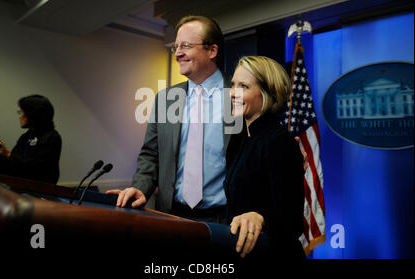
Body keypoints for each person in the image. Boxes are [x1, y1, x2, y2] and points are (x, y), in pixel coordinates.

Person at [108, 15, 307, 227]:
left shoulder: (240, 95)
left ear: (212, 51)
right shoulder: (166, 100)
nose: (178, 53)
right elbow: (151, 154)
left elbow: (264, 143)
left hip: (226, 220)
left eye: (185, 45)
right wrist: (140, 187)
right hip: (170, 216)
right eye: (175, 46)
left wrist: (288, 159)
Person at [226, 56, 305, 259]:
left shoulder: (280, 141)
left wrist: (260, 216)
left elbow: (292, 221)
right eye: (233, 85)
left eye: (244, 86)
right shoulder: (240, 139)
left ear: (267, 94)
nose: (233, 93)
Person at [0, 94, 62, 184]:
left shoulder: (52, 137)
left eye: (21, 112)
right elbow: (14, 166)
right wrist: (0, 157)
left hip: (41, 192)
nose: (19, 116)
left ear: (33, 114)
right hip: (20, 189)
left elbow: (37, 169)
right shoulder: (26, 137)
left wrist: (8, 155)